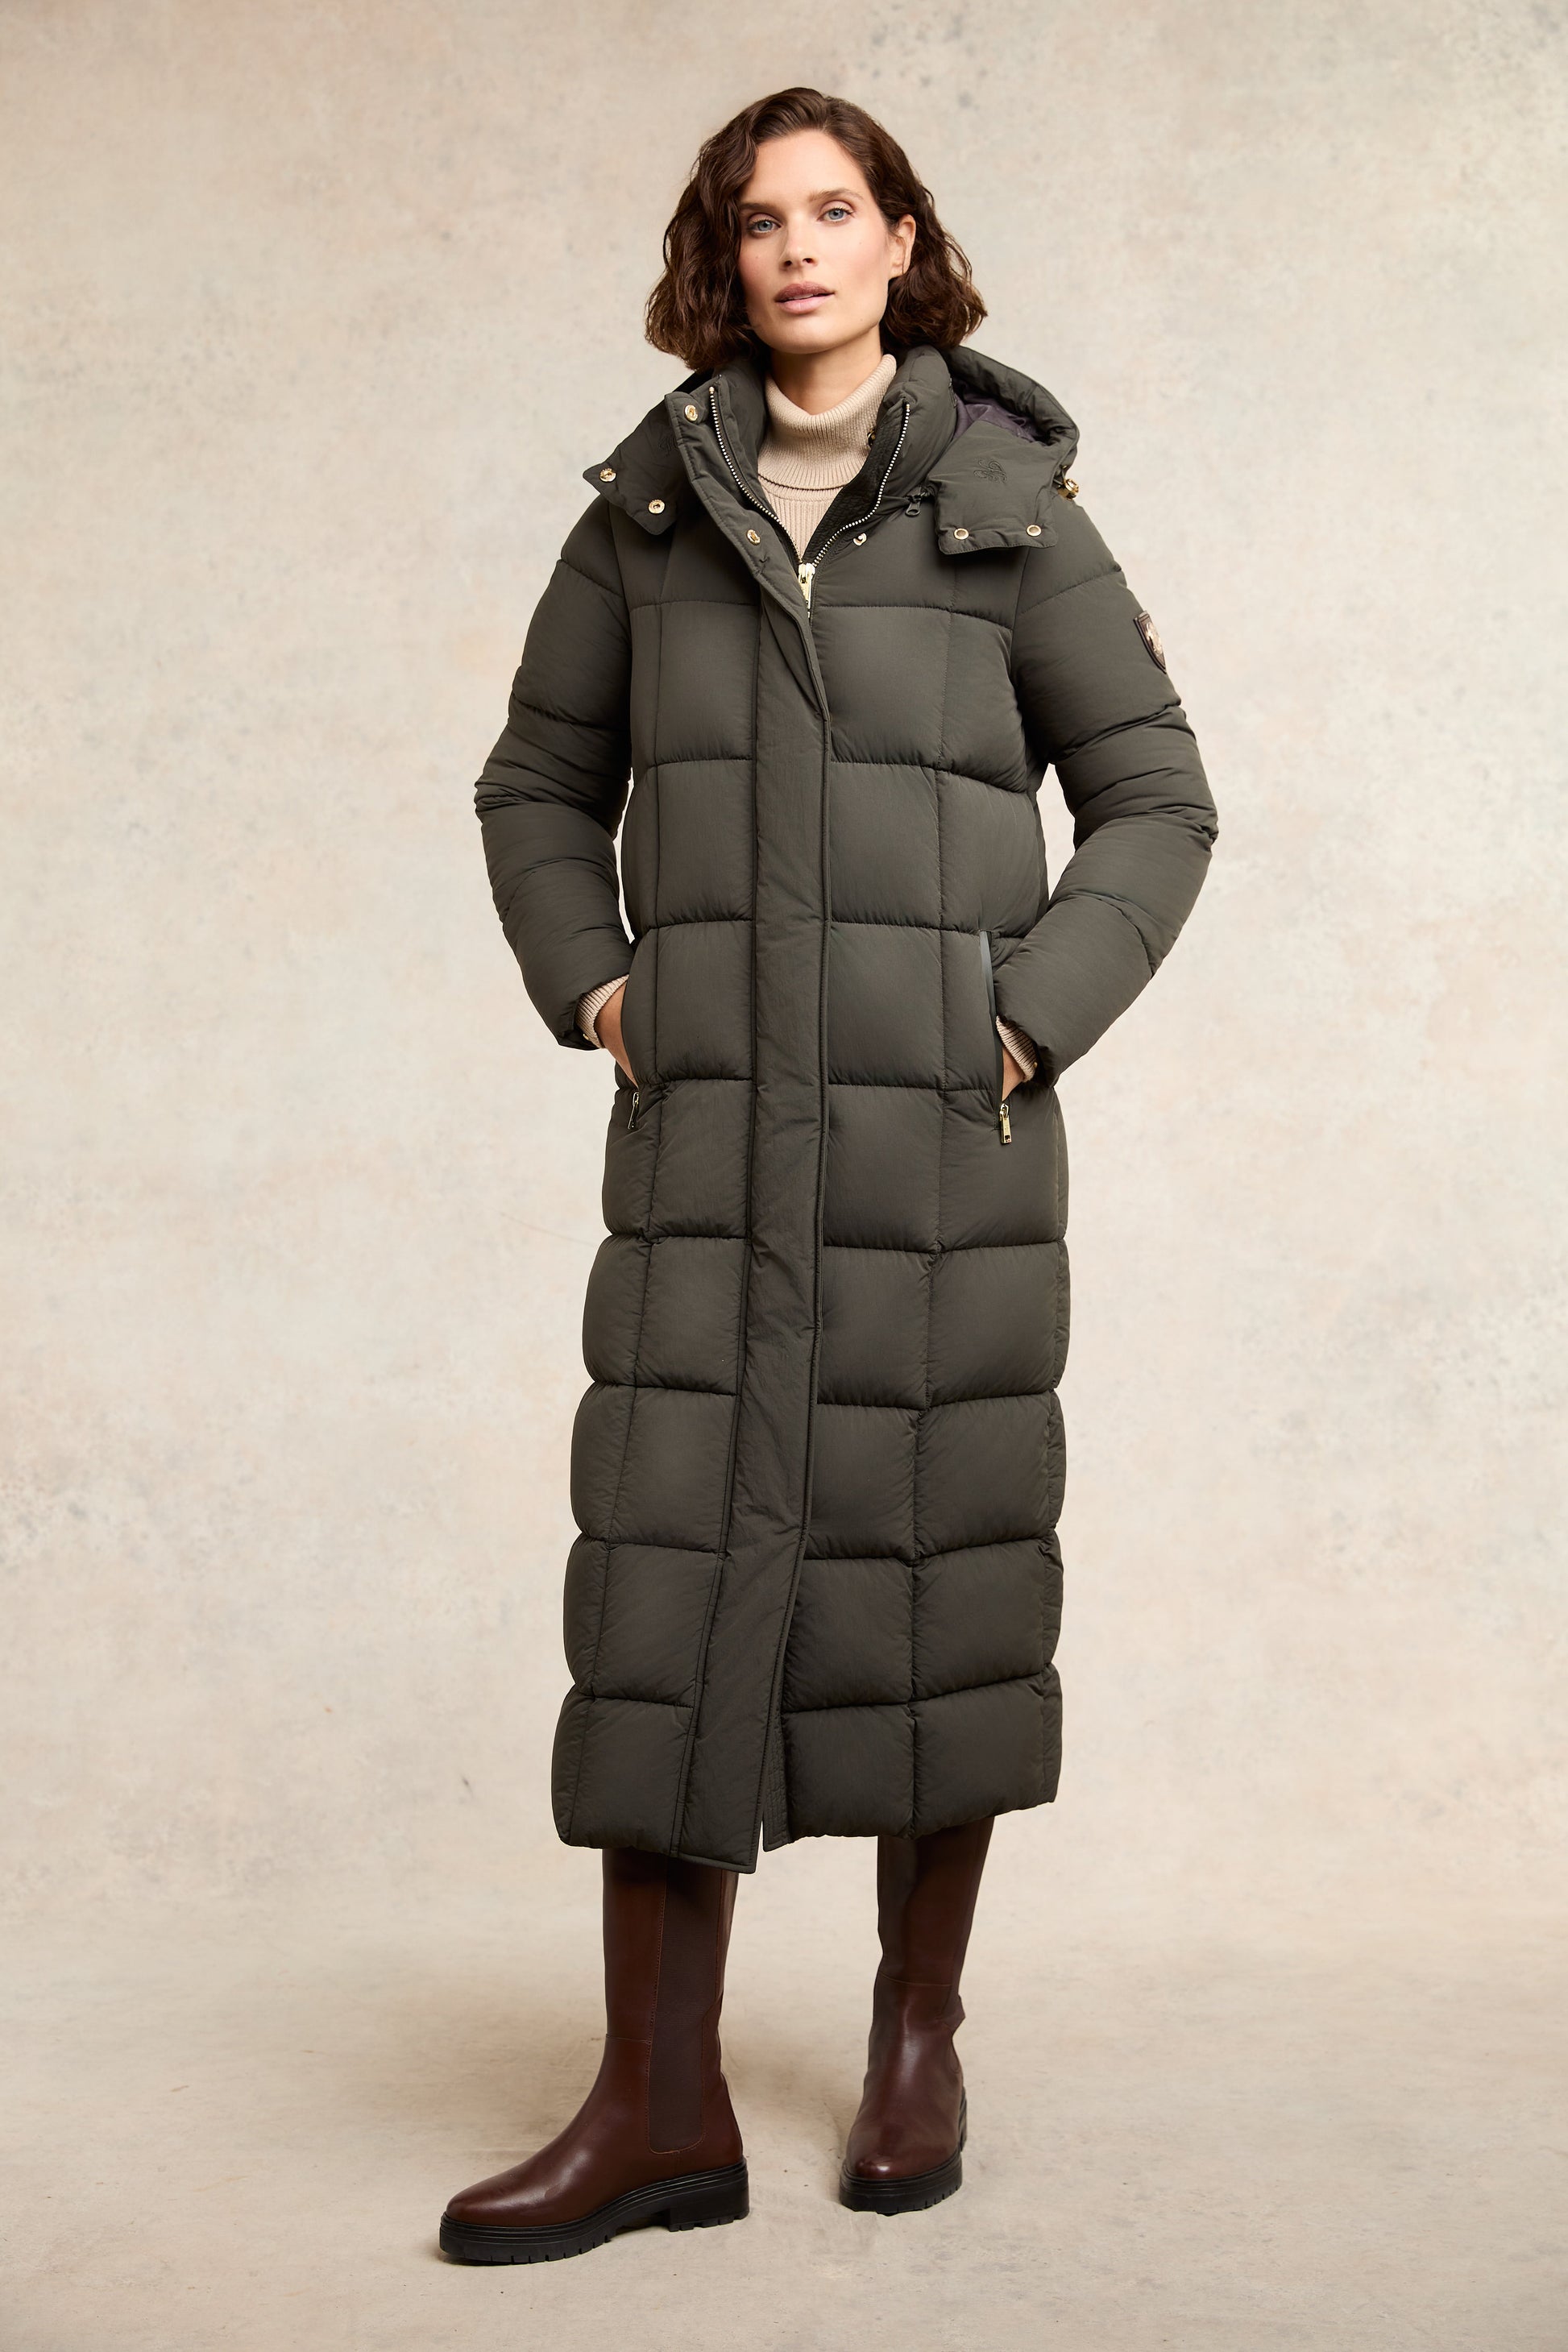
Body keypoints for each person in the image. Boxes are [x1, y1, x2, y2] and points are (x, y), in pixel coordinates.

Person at [439, 85, 1218, 2266]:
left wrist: (1017, 1018)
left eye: (832, 209)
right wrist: (601, 986)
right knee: (665, 1586)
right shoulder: (647, 515)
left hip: (935, 1154)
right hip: (707, 1152)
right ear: (723, 258)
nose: (795, 247)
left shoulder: (1005, 505)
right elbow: (534, 783)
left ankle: (914, 2033)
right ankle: (656, 2107)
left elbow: (1156, 798)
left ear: (897, 242)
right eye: (757, 218)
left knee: (927, 1576)